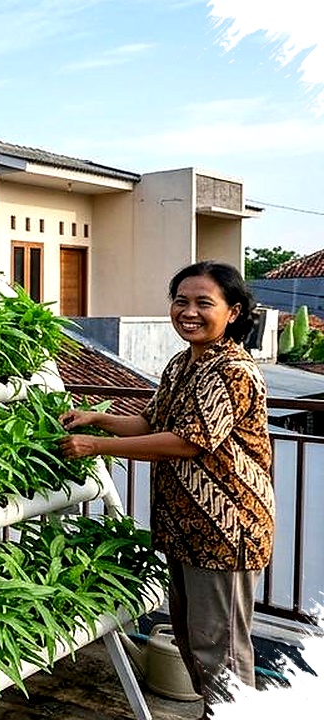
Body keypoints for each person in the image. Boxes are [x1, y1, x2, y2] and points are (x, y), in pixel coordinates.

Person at [58, 261, 274, 714]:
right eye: (181, 301)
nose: (188, 312)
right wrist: (97, 417)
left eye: (203, 303)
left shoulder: (233, 370)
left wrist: (97, 445)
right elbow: (152, 422)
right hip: (186, 529)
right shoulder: (183, 363)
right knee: (195, 646)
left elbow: (188, 442)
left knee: (223, 656)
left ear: (233, 312)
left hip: (225, 531)